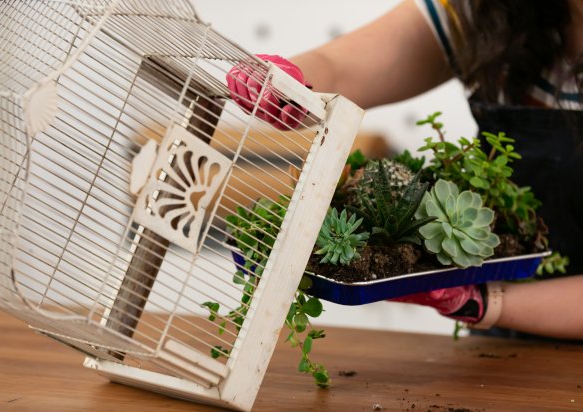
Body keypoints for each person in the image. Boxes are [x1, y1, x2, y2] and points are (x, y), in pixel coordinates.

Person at [226, 0, 583, 340]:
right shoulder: (488, 10)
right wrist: (286, 83)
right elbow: (342, 66)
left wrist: (485, 302)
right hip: (493, 351)